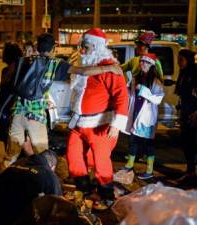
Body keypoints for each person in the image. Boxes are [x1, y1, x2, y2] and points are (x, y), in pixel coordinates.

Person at [5, 33, 121, 167]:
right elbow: (82, 71)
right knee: (44, 159)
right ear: (53, 49)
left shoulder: (24, 60)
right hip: (36, 116)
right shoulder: (54, 64)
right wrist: (108, 68)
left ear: (38, 46)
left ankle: (3, 184)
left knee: (10, 156)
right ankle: (46, 186)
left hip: (17, 113)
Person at [66, 28, 129, 210]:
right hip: (78, 122)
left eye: (85, 46)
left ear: (97, 46)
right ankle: (83, 190)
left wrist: (117, 125)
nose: (82, 50)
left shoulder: (111, 69)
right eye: (81, 46)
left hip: (99, 124)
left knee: (101, 162)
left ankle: (106, 195)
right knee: (73, 155)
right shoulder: (82, 64)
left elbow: (121, 97)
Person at [0, 150, 62, 225]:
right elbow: (59, 205)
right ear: (52, 167)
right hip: (11, 220)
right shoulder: (48, 174)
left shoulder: (16, 164)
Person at [122, 53, 165, 180]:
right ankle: (129, 165)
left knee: (148, 143)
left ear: (151, 65)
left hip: (147, 117)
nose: (141, 64)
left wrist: (143, 91)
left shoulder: (156, 82)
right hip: (135, 113)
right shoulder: (136, 78)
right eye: (141, 62)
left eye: (145, 62)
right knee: (133, 140)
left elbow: (157, 99)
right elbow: (131, 94)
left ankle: (150, 170)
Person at [174, 49, 197, 186]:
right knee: (186, 143)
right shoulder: (183, 73)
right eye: (178, 60)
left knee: (192, 144)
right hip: (185, 112)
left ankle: (192, 174)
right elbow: (182, 94)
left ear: (189, 60)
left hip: (195, 114)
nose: (178, 63)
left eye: (181, 60)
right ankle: (190, 172)